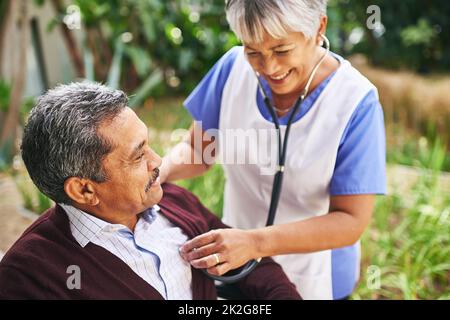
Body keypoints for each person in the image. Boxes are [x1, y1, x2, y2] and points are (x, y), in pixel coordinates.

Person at [159, 0, 386, 300]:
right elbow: (197, 151)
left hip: (315, 278)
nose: (269, 67)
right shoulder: (231, 69)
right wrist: (156, 171)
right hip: (237, 268)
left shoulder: (356, 103)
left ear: (318, 28)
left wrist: (256, 243)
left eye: (282, 50)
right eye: (253, 51)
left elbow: (350, 221)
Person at [0, 82, 301, 300]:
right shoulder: (28, 276)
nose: (158, 162)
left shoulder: (174, 201)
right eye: (138, 155)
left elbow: (246, 263)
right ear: (84, 190)